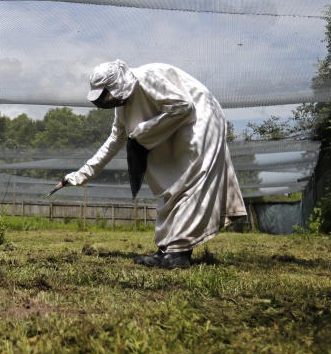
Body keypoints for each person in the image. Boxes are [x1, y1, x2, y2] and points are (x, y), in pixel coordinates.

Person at [52, 60, 247, 269]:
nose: (106, 100)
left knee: (191, 182)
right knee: (171, 186)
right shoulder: (123, 105)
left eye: (106, 94)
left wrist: (142, 132)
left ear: (117, 86)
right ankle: (167, 250)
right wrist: (80, 175)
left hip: (203, 117)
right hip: (182, 126)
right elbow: (116, 138)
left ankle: (178, 254)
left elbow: (184, 106)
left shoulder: (147, 77)